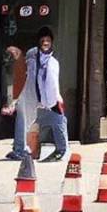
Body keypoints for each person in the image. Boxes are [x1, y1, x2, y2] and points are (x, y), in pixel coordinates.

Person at [31, 27, 68, 162]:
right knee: (33, 126)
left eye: (48, 40)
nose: (45, 43)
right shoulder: (35, 61)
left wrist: (53, 101)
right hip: (39, 101)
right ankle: (30, 150)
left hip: (53, 100)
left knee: (59, 124)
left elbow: (52, 84)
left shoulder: (52, 62)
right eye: (43, 40)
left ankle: (61, 150)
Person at [5, 44, 37, 162]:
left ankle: (20, 149)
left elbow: (16, 82)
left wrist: (12, 101)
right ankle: (20, 148)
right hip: (25, 96)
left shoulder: (22, 64)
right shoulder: (23, 64)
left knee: (22, 123)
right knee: (23, 123)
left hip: (24, 96)